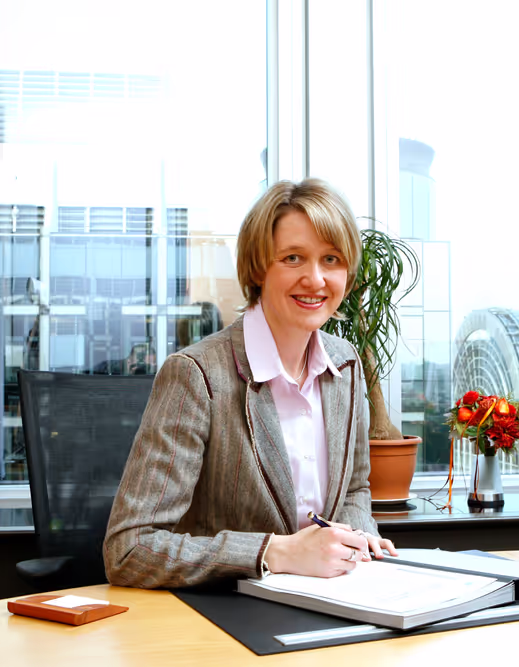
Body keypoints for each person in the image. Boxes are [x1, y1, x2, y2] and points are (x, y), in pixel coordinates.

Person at [103, 179, 398, 589]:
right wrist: (275, 552)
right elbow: (130, 549)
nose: (316, 279)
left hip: (329, 603)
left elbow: (354, 489)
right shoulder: (197, 375)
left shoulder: (345, 366)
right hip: (223, 619)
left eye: (331, 259)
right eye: (293, 258)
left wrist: (355, 536)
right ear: (259, 267)